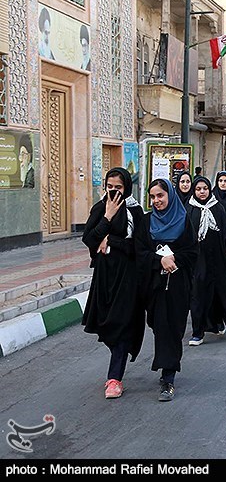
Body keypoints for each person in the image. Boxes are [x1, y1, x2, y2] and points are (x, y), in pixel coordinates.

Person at [81, 167, 145, 399]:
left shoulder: (135, 212)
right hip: (105, 277)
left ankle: (114, 378)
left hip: (128, 277)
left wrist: (111, 241)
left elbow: (139, 246)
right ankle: (116, 361)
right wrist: (107, 217)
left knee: (123, 325)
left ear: (126, 187)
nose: (114, 192)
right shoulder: (100, 208)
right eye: (110, 187)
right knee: (107, 325)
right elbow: (89, 238)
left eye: (119, 187)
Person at [134, 179, 198, 402]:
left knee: (172, 329)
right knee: (159, 326)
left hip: (178, 286)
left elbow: (193, 252)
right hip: (153, 286)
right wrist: (159, 260)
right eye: (152, 197)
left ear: (170, 195)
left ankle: (168, 377)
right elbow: (139, 252)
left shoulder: (184, 220)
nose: (156, 201)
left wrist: (174, 259)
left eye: (160, 195)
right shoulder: (145, 222)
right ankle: (166, 367)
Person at [186, 176, 226, 346]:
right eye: (198, 189)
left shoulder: (217, 207)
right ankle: (198, 332)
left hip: (218, 258)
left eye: (205, 189)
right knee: (198, 294)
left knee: (219, 291)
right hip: (198, 260)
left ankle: (217, 322)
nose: (202, 192)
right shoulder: (189, 209)